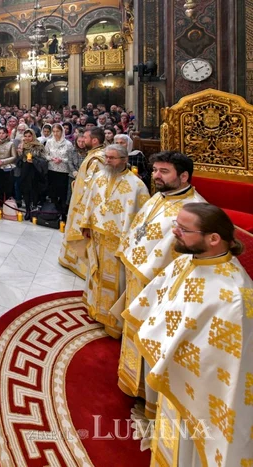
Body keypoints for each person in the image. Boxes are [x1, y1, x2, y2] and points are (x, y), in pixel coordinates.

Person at [124, 203, 252, 467]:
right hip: (174, 372)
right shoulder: (186, 260)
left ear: (214, 239)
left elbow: (226, 366)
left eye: (183, 229)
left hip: (199, 389)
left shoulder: (236, 297)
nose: (174, 232)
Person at [115, 151, 206, 417]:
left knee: (153, 339)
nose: (156, 176)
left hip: (162, 288)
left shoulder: (194, 212)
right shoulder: (159, 196)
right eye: (155, 170)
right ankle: (134, 383)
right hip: (139, 278)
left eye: (164, 171)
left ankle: (150, 395)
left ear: (184, 176)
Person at [79, 144, 149, 338]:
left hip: (118, 241)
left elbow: (142, 218)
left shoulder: (137, 186)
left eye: (112, 158)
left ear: (124, 160)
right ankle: (95, 309)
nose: (107, 161)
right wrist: (85, 224)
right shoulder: (99, 177)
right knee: (96, 272)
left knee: (116, 281)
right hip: (97, 235)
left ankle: (112, 321)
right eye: (106, 157)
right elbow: (89, 202)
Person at [59, 127, 107, 278]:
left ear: (94, 140)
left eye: (85, 138)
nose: (82, 141)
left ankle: (81, 264)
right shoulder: (94, 154)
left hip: (84, 202)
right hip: (79, 196)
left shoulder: (97, 158)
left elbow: (94, 185)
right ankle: (71, 260)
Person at [44, 123, 73, 220]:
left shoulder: (68, 144)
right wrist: (52, 158)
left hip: (63, 171)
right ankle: (54, 212)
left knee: (62, 193)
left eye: (58, 131)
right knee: (53, 192)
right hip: (52, 169)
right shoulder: (49, 142)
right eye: (54, 131)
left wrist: (62, 160)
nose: (56, 133)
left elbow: (70, 159)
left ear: (62, 131)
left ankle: (63, 213)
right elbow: (45, 155)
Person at [0, 127, 17, 203]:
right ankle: (0, 204)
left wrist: (3, 161)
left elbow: (14, 156)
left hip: (7, 167)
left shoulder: (11, 143)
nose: (1, 135)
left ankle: (8, 204)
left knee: (8, 187)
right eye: (0, 133)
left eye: (3, 133)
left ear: (6, 134)